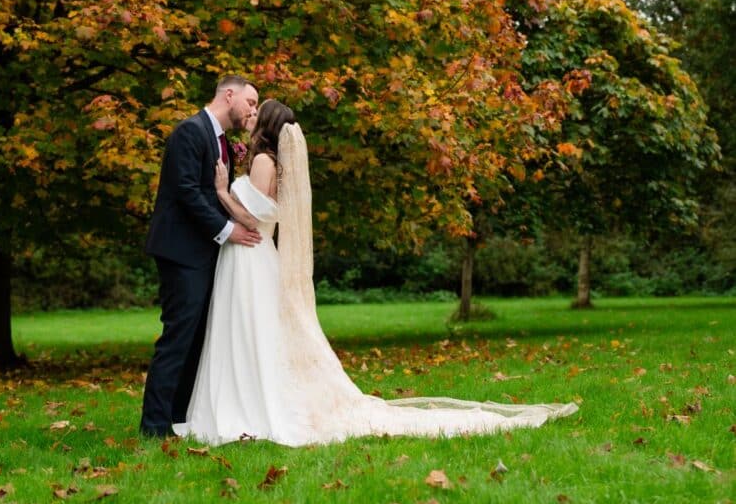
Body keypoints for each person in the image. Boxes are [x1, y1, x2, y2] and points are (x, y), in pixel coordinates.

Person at [174, 100, 579, 446]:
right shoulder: (266, 160)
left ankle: (246, 408)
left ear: (265, 125)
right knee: (245, 334)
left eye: (257, 110)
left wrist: (225, 193)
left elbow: (262, 214)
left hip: (250, 257)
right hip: (248, 258)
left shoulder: (263, 160)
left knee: (248, 333)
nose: (251, 113)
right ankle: (237, 402)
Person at [139, 75, 260, 438]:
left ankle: (179, 419)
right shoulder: (189, 132)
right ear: (229, 95)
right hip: (181, 252)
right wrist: (229, 231)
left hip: (203, 251)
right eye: (251, 102)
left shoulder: (220, 140)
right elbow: (189, 193)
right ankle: (154, 426)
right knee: (178, 336)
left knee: (196, 339)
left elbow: (211, 194)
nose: (253, 110)